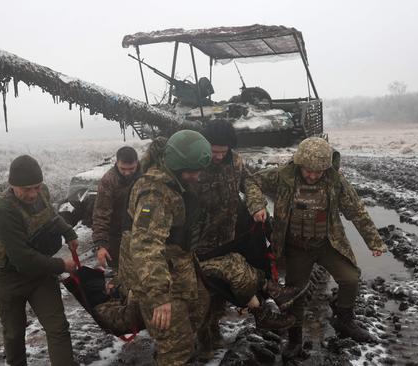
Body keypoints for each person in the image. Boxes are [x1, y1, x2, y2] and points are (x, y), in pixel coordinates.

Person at [255, 137, 388, 358]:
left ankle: (344, 320)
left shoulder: (335, 181)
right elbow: (251, 182)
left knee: (350, 279)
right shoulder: (282, 176)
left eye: (319, 171)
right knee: (294, 294)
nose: (313, 176)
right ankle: (295, 339)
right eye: (309, 171)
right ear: (299, 164)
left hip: (327, 244)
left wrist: (374, 241)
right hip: (296, 247)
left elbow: (357, 211)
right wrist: (257, 204)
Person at [195, 120, 302, 353]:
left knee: (246, 268)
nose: (218, 156)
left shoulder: (236, 161)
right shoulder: (195, 165)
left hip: (230, 233)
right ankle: (206, 340)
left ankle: (265, 299)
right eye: (214, 151)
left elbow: (250, 182)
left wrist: (256, 206)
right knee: (209, 291)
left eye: (223, 152)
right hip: (202, 242)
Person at [0, 155, 79, 366]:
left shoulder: (41, 193)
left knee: (58, 328)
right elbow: (23, 260)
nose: (33, 194)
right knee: (14, 334)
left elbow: (51, 216)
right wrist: (62, 265)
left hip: (39, 275)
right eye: (26, 189)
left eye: (36, 186)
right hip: (7, 280)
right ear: (12, 185)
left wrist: (69, 233)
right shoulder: (1, 211)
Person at [124, 130, 211, 365]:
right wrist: (160, 297)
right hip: (159, 279)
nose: (197, 176)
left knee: (194, 319)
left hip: (178, 268)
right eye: (193, 171)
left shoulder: (176, 180)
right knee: (176, 347)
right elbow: (145, 245)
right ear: (178, 165)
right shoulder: (155, 195)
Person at [91, 146, 141, 269]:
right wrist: (101, 244)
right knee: (119, 271)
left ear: (137, 163)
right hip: (116, 234)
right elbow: (101, 213)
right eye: (123, 169)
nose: (127, 173)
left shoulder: (145, 175)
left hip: (141, 232)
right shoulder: (109, 180)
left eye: (131, 169)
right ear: (116, 163)